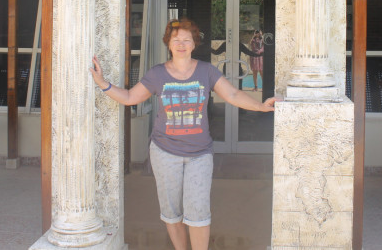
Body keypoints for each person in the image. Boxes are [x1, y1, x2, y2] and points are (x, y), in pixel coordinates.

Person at [90, 18, 276, 250]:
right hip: (164, 153)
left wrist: (261, 106)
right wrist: (102, 83)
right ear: (168, 43)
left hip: (200, 154)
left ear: (194, 44)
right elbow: (129, 97)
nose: (181, 44)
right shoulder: (157, 74)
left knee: (199, 213)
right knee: (171, 213)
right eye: (176, 39)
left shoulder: (206, 71)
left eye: (187, 40)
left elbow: (233, 95)